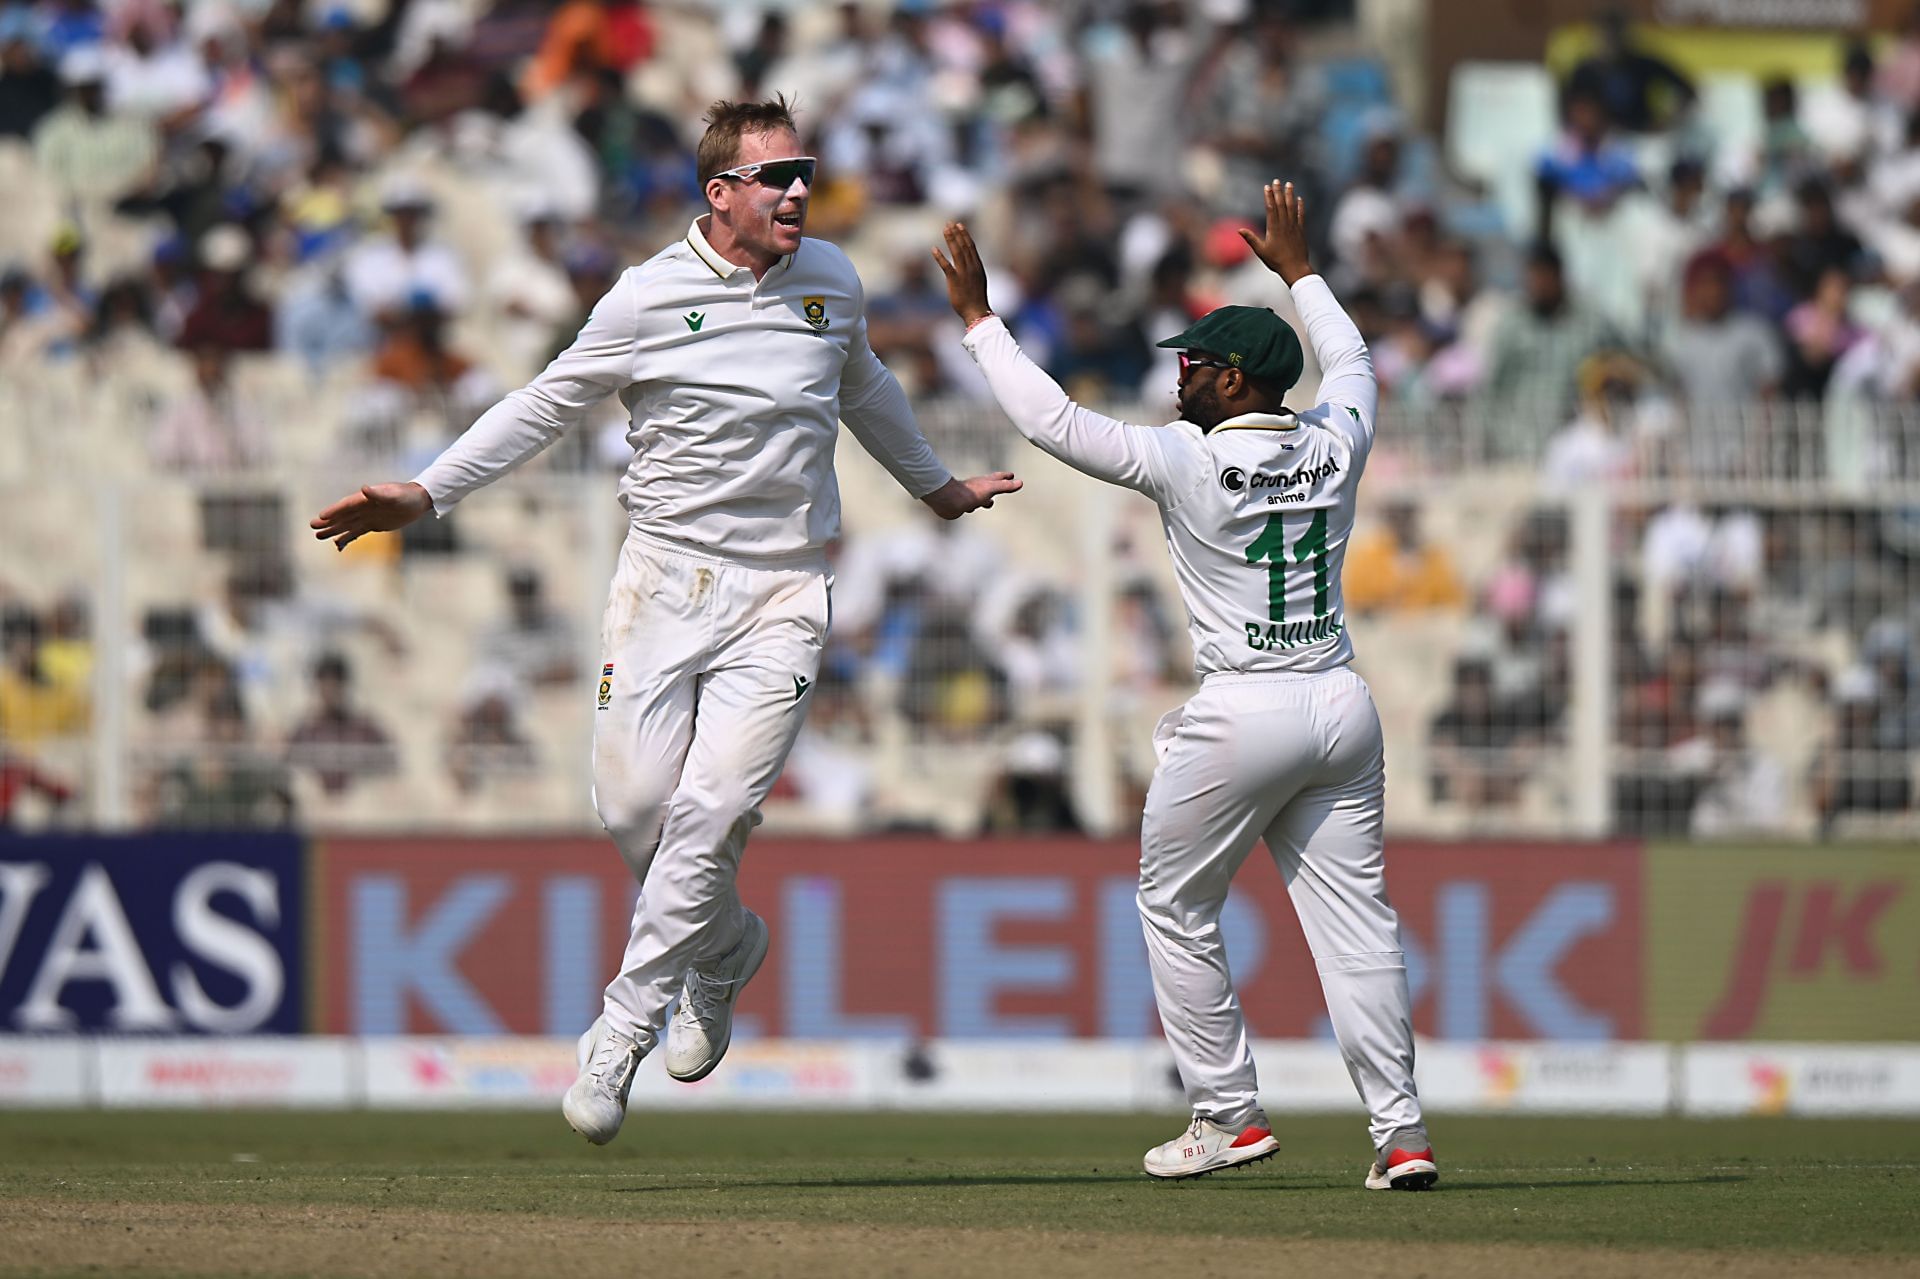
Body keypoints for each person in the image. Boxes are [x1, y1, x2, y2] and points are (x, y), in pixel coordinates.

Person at [310, 95, 1018, 1147]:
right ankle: (726, 947)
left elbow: (863, 385)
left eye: (804, 173)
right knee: (635, 811)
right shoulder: (645, 298)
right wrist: (426, 492)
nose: (796, 193)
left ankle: (619, 1029)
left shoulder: (830, 279)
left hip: (783, 591)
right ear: (718, 191)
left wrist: (935, 489)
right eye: (774, 177)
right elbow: (545, 402)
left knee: (710, 810)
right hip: (662, 585)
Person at [932, 180, 1433, 1190]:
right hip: (1338, 701)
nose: (1182, 376)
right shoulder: (1335, 445)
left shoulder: (1186, 463)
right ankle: (1403, 1132)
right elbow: (1354, 363)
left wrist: (981, 322)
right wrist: (1303, 274)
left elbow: (1053, 422)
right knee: (1358, 924)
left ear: (1241, 383)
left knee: (1171, 901)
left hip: (1245, 705)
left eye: (1199, 365)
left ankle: (1228, 1112)